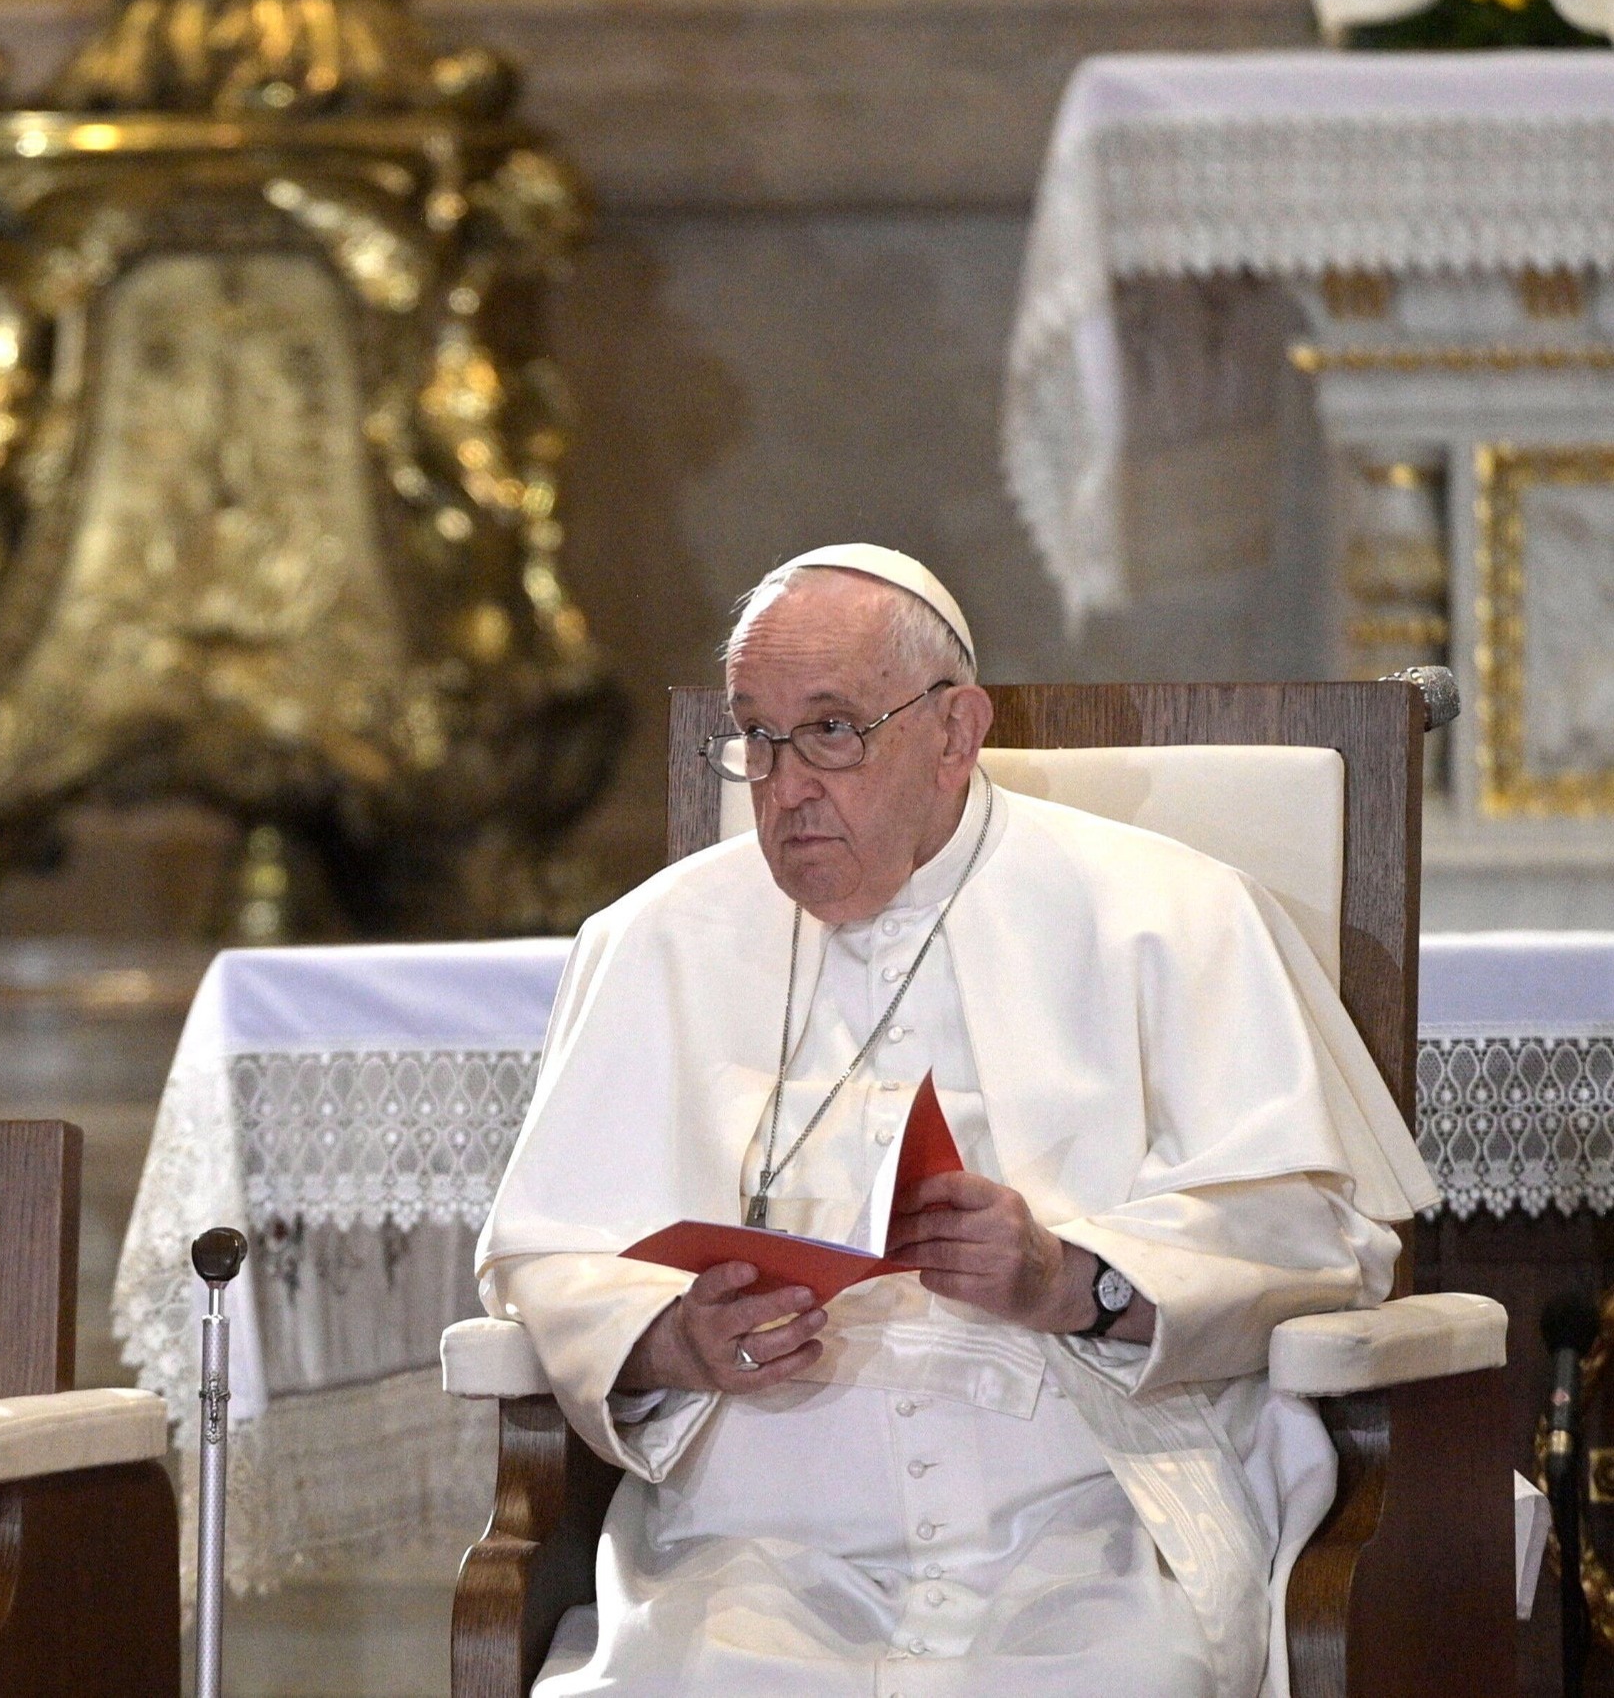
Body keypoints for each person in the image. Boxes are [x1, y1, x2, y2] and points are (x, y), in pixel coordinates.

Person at [474, 544, 1439, 1698]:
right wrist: (668, 1337)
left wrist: (1080, 1278)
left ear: (955, 730)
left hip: (1093, 1522)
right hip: (746, 1541)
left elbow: (1323, 1236)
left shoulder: (1168, 913)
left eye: (831, 728)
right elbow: (545, 1247)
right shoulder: (652, 942)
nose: (783, 787)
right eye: (758, 735)